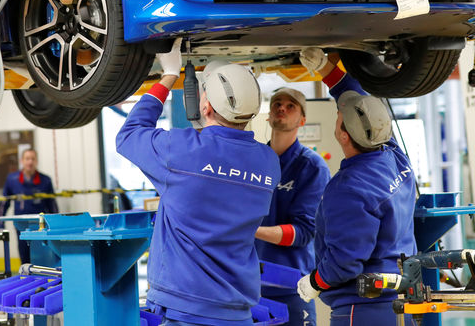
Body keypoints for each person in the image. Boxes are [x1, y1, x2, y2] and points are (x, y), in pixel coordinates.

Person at [116, 39, 280, 326]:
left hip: (185, 309)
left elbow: (129, 135)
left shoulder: (181, 151)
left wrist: (168, 76)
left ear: (205, 106)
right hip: (237, 311)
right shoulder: (268, 162)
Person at [295, 48, 417, 326]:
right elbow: (358, 104)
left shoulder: (348, 189)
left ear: (343, 135)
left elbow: (344, 263)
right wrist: (326, 69)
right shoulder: (392, 154)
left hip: (364, 310)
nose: (338, 113)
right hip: (402, 300)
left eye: (339, 116)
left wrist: (314, 282)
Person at [255, 87, 330, 326]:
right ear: (268, 113)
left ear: (303, 120)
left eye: (291, 106)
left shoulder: (312, 167)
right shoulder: (253, 161)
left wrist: (250, 230)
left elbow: (304, 232)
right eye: (277, 103)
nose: (282, 108)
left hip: (292, 288)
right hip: (250, 288)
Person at [0, 147, 59, 265]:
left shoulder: (45, 181)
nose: (30, 162)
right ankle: (26, 277)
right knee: (24, 254)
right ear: (22, 161)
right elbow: (4, 202)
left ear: (36, 161)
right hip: (21, 225)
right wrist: (0, 223)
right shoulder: (12, 179)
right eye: (27, 159)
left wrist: (55, 224)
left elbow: (52, 204)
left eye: (33, 159)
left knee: (43, 254)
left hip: (40, 225)